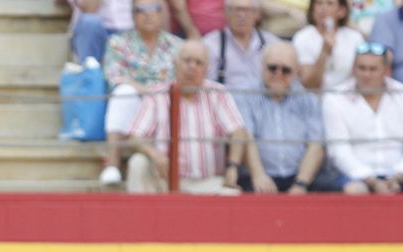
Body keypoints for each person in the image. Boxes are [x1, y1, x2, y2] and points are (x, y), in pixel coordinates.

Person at [123, 39, 247, 193]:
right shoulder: (156, 94)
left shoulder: (218, 93)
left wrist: (232, 167)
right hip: (164, 182)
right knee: (138, 163)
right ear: (175, 64)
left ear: (207, 70)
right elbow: (135, 136)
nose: (192, 67)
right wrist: (154, 155)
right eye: (187, 61)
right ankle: (138, 217)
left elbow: (238, 132)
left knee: (232, 194)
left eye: (198, 63)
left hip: (207, 182)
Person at [96, 0, 183, 187]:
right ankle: (113, 163)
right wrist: (150, 91)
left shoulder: (176, 46)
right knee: (123, 93)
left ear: (162, 14)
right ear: (133, 15)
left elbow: (181, 81)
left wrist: (156, 94)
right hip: (135, 104)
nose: (147, 14)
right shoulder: (118, 42)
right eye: (141, 10)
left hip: (165, 105)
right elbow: (114, 77)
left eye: (153, 9)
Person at [236, 40, 331, 192]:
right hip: (256, 176)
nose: (278, 74)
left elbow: (316, 145)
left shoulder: (308, 100)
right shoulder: (245, 95)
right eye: (272, 68)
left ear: (297, 71)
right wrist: (259, 175)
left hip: (299, 176)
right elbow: (247, 139)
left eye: (286, 70)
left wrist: (301, 183)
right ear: (262, 66)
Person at [323, 43, 403, 194]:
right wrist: (372, 182)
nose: (366, 75)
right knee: (355, 190)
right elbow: (339, 152)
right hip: (354, 174)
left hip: (400, 173)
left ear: (386, 71)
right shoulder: (334, 98)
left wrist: (398, 178)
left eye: (373, 69)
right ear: (354, 69)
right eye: (362, 68)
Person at [204, 0, 273, 93]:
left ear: (257, 14)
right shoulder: (209, 45)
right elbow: (205, 85)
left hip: (264, 103)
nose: (241, 15)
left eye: (247, 10)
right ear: (225, 13)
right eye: (236, 10)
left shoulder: (272, 43)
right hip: (224, 102)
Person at [295, 0, 364, 92]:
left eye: (329, 3)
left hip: (347, 98)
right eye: (319, 3)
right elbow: (310, 85)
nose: (323, 8)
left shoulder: (355, 38)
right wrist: (324, 52)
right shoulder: (302, 38)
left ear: (342, 10)